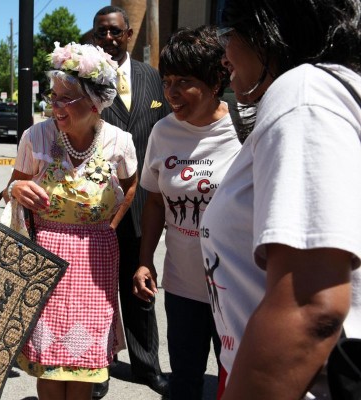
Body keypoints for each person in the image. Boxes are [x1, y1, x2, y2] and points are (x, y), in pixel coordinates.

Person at [199, 1, 361, 399]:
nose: (224, 56)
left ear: (267, 30)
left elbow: (311, 308)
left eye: (228, 35)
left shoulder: (303, 93)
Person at [6, 41, 137, 400]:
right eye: (53, 96)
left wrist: (110, 226)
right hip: (45, 257)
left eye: (66, 98)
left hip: (96, 262)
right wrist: (17, 190)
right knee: (49, 361)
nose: (55, 106)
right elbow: (11, 188)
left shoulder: (119, 143)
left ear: (95, 102)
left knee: (83, 365)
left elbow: (131, 186)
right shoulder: (37, 137)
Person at [132, 26, 241, 400]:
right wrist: (145, 260)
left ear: (216, 81)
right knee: (184, 383)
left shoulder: (245, 130)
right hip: (182, 285)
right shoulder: (163, 132)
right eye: (167, 81)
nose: (172, 92)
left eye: (185, 81)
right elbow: (156, 201)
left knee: (237, 383)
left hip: (236, 288)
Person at [91, 5, 171, 398]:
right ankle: (98, 369)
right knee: (99, 289)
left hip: (143, 203)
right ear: (94, 35)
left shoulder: (151, 78)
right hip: (98, 202)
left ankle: (146, 366)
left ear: (127, 34)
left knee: (140, 286)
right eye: (101, 32)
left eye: (115, 32)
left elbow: (167, 127)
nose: (108, 38)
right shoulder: (84, 76)